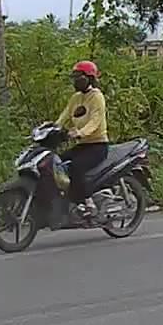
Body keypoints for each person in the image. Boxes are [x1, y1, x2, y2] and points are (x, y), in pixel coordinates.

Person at [55, 60, 109, 217]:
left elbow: (95, 121)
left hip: (97, 146)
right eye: (74, 78)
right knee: (56, 162)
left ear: (89, 78)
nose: (75, 81)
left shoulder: (97, 97)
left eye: (79, 77)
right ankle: (66, 201)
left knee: (76, 167)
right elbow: (64, 117)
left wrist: (80, 133)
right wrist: (51, 129)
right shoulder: (76, 98)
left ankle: (87, 202)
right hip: (82, 146)